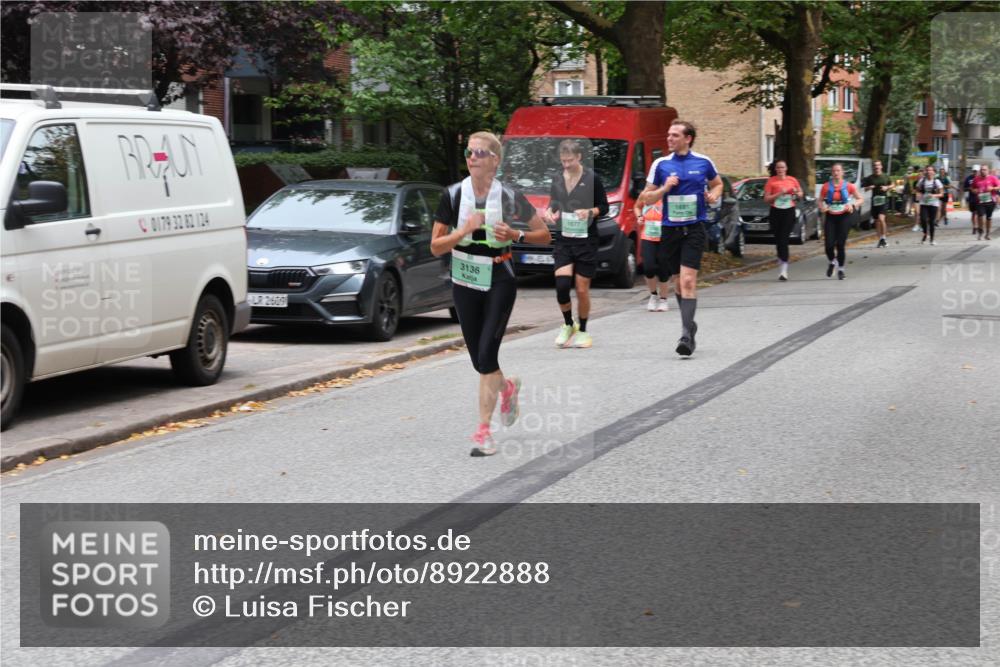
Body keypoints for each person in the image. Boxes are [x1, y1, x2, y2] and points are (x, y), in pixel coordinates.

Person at [431, 131, 550, 456]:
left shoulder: (509, 195)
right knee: (479, 361)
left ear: (495, 160)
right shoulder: (453, 195)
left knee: (486, 356)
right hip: (464, 277)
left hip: (499, 276)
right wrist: (463, 231)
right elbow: (435, 245)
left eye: (480, 153)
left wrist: (515, 233)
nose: (472, 157)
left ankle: (483, 433)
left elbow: (544, 234)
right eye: (469, 152)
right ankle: (507, 386)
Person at [638, 120, 722, 356]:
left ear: (688, 138)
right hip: (670, 230)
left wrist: (713, 195)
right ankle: (690, 323)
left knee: (687, 281)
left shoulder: (703, 162)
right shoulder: (660, 164)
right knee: (677, 280)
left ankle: (686, 335)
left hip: (694, 229)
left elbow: (717, 185)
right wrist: (664, 189)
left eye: (675, 135)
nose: (669, 139)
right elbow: (647, 198)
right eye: (668, 135)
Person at [541, 139, 610, 348]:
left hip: (586, 240)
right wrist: (548, 213)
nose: (566, 165)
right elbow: (553, 204)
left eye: (570, 160)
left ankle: (583, 330)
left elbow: (604, 207)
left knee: (581, 289)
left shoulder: (592, 178)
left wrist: (590, 212)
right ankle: (568, 324)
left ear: (579, 157)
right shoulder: (557, 178)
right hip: (564, 239)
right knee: (562, 287)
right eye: (563, 161)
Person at [818, 163, 864, 280]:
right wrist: (822, 207)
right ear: (832, 173)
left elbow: (860, 199)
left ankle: (841, 270)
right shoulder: (826, 186)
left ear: (842, 172)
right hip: (831, 216)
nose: (836, 173)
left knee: (840, 244)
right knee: (828, 245)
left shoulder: (849, 186)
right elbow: (819, 201)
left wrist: (852, 205)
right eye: (834, 171)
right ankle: (833, 262)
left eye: (838, 171)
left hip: (844, 217)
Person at [762, 159, 803, 279]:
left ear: (786, 169)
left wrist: (796, 192)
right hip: (776, 211)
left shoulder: (792, 180)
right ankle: (781, 259)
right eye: (778, 168)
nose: (780, 170)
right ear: (776, 169)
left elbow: (800, 193)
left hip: (789, 211)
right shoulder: (771, 181)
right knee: (778, 239)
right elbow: (766, 199)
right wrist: (779, 194)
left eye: (782, 167)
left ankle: (784, 269)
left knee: (784, 238)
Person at [633, 198, 672, 310]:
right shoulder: (646, 193)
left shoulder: (668, 192)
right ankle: (653, 295)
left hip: (664, 237)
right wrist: (640, 217)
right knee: (648, 267)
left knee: (663, 268)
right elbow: (637, 206)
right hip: (648, 236)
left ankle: (663, 299)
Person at [862, 160, 893, 248]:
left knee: (881, 218)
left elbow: (892, 184)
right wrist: (869, 187)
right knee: (876, 221)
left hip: (884, 200)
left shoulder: (885, 176)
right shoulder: (870, 178)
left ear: (881, 166)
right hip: (875, 201)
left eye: (878, 165)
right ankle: (880, 239)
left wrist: (886, 187)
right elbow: (864, 188)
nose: (876, 167)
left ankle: (884, 238)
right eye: (875, 166)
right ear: (873, 167)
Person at [915, 165, 944, 245]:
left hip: (934, 204)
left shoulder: (937, 181)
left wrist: (935, 195)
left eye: (931, 170)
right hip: (924, 203)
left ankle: (932, 239)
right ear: (925, 172)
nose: (929, 172)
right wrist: (918, 194)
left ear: (934, 172)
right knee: (923, 219)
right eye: (927, 170)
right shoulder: (922, 181)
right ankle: (925, 233)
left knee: (931, 222)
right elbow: (917, 190)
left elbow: (942, 194)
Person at [971, 164, 1000, 241]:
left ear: (988, 171)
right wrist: (974, 190)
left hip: (990, 201)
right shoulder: (976, 179)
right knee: (981, 216)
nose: (983, 171)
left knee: (988, 218)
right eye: (981, 169)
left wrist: (992, 188)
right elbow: (972, 188)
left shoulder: (993, 178)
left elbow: (998, 187)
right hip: (980, 201)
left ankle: (987, 233)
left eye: (984, 169)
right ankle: (981, 231)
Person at [963, 167, 979, 235]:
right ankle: (974, 227)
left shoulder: (981, 178)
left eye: (976, 171)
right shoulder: (968, 178)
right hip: (972, 198)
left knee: (979, 213)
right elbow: (964, 188)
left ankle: (978, 226)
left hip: (979, 198)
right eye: (974, 171)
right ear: (972, 171)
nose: (975, 172)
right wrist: (969, 188)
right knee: (973, 214)